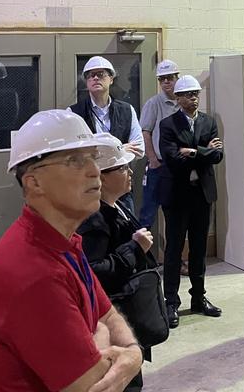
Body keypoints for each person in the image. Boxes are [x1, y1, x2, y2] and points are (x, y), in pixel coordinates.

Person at [0, 109, 143, 392]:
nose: (94, 171)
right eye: (75, 161)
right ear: (33, 182)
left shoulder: (66, 244)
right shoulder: (32, 273)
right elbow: (92, 385)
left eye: (92, 157)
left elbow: (108, 316)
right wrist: (105, 338)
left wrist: (132, 353)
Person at [78, 141, 164, 392]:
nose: (130, 173)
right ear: (101, 177)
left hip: (127, 315)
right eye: (122, 168)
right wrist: (134, 250)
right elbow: (93, 271)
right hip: (112, 319)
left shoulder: (117, 207)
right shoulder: (94, 218)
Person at [155, 75, 223, 328]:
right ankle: (171, 301)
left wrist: (193, 152)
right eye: (187, 94)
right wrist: (204, 152)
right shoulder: (168, 124)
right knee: (174, 249)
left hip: (202, 194)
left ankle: (198, 298)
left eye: (196, 93)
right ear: (178, 98)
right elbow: (172, 158)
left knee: (198, 249)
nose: (193, 97)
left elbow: (218, 155)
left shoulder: (208, 122)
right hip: (177, 194)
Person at [69, 56, 145, 211]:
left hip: (120, 189)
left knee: (125, 232)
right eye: (91, 75)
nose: (95, 78)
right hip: (88, 188)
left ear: (111, 79)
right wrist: (122, 150)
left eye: (101, 74)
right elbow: (73, 153)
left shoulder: (126, 110)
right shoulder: (73, 113)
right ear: (86, 82)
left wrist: (96, 153)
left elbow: (140, 149)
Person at [138, 59, 181, 231]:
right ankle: (141, 254)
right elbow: (145, 132)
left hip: (177, 164)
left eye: (169, 77)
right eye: (161, 79)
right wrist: (153, 159)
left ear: (177, 77)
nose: (165, 82)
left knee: (175, 212)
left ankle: (173, 257)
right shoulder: (154, 104)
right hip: (159, 165)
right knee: (148, 211)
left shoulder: (182, 102)